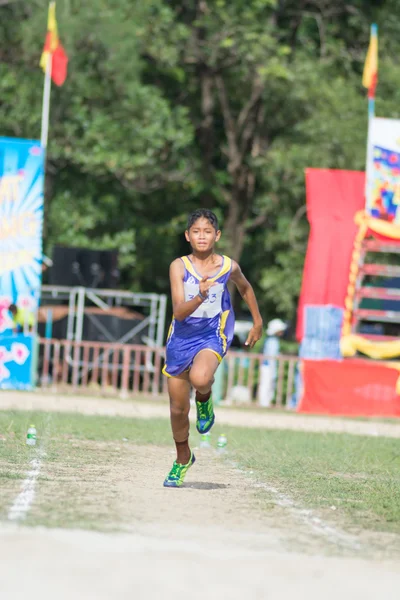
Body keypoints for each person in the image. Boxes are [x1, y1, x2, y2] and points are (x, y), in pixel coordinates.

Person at [162, 208, 263, 487]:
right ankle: (183, 458)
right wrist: (200, 296)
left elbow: (245, 288)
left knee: (200, 378)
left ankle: (204, 400)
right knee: (178, 410)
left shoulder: (227, 266)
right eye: (196, 231)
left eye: (207, 231)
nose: (202, 236)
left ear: (217, 235)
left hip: (212, 334)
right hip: (181, 338)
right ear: (187, 236)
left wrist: (257, 322)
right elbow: (179, 312)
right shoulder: (178, 267)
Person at [258, 318, 287, 407]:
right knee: (266, 384)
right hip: (267, 365)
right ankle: (263, 402)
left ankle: (266, 402)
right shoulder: (271, 341)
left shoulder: (272, 340)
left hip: (270, 365)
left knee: (270, 384)